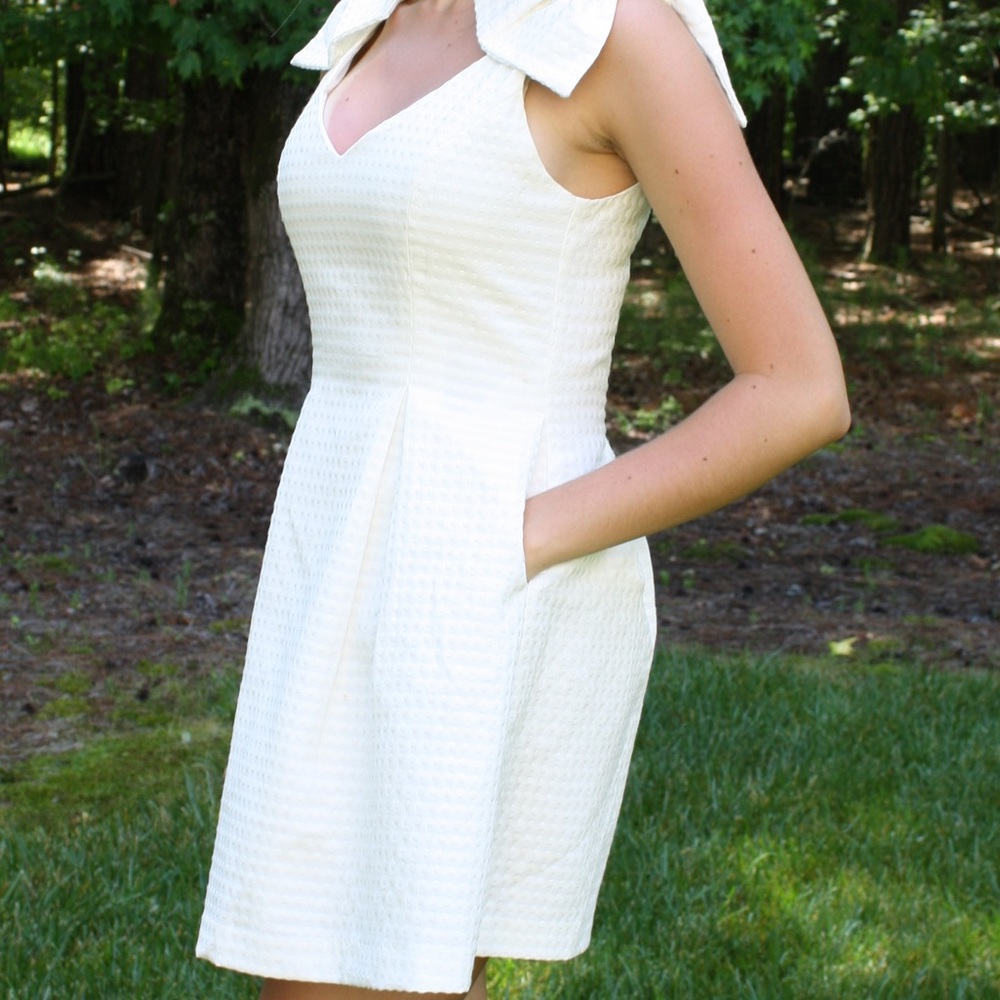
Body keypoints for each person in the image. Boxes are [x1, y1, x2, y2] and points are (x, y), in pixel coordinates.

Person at [196, 0, 851, 997]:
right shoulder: (376, 18)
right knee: (308, 960)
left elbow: (798, 387)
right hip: (335, 555)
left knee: (365, 969)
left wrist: (517, 540)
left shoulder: (615, 35)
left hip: (480, 580)